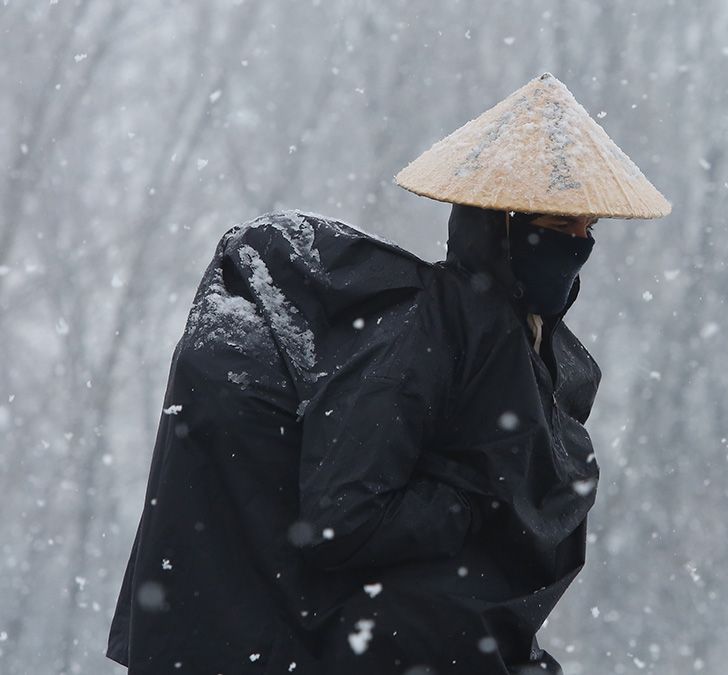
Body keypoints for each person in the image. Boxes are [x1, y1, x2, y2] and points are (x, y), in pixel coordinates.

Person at [105, 72, 669, 674]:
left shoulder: (530, 349)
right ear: (499, 227)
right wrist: (468, 507)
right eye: (558, 229)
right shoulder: (419, 337)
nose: (578, 245)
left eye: (588, 230)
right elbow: (342, 518)